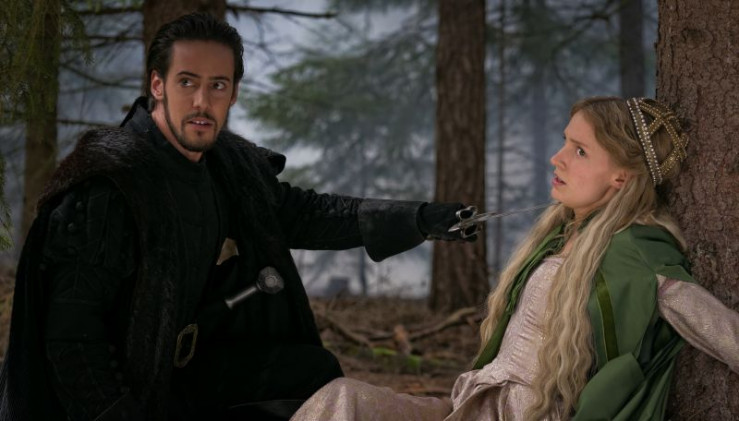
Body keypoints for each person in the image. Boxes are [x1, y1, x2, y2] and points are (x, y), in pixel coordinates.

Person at [0, 12, 479, 421]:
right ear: (157, 85)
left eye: (217, 85)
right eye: (187, 82)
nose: (202, 102)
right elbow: (73, 343)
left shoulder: (227, 168)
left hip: (183, 373)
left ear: (232, 94)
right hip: (119, 391)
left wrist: (420, 219)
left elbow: (306, 214)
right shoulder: (108, 188)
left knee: (310, 373)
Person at [289, 96, 739, 421]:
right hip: (475, 408)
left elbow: (719, 330)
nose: (557, 158)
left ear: (621, 177)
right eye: (565, 142)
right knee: (341, 400)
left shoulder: (638, 253)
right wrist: (424, 220)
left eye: (580, 151)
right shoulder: (559, 235)